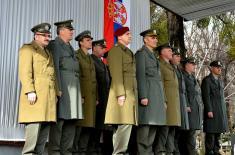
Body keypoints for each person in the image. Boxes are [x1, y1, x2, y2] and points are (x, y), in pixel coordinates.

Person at [18, 22, 58, 154]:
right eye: (44, 35)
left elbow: (52, 75)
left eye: (49, 35)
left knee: (41, 142)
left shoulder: (48, 52)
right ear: (36, 36)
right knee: (31, 142)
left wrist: (57, 93)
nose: (48, 38)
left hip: (48, 101)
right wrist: (30, 90)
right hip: (35, 98)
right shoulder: (27, 49)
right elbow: (25, 72)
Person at [48, 20, 83, 155]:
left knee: (71, 122)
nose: (72, 31)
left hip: (73, 91)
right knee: (60, 122)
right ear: (61, 31)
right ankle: (55, 152)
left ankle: (66, 151)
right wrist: (57, 89)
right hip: (63, 89)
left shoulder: (69, 47)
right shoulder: (55, 45)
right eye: (69, 29)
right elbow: (55, 68)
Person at [104, 27, 138, 155]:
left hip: (129, 94)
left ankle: (120, 152)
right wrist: (120, 94)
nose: (130, 36)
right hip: (122, 94)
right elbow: (116, 74)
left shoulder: (128, 52)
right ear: (119, 37)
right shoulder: (116, 51)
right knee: (124, 124)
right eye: (127, 34)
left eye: (130, 33)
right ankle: (119, 153)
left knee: (125, 125)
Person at [135, 29, 166, 155]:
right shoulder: (141, 54)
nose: (156, 40)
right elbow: (140, 76)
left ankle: (147, 152)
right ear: (145, 39)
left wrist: (163, 99)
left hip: (156, 95)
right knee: (145, 127)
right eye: (152, 38)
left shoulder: (153, 55)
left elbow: (159, 79)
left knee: (154, 126)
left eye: (156, 38)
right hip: (147, 94)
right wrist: (143, 95)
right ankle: (142, 152)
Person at [74, 30, 98, 154]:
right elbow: (76, 77)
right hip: (82, 97)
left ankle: (82, 151)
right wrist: (80, 95)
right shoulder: (76, 55)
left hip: (91, 97)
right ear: (81, 42)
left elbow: (93, 79)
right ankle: (75, 150)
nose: (90, 42)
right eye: (88, 40)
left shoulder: (89, 57)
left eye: (90, 40)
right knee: (79, 126)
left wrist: (96, 97)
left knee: (88, 126)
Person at [156, 43, 181, 155]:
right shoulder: (159, 64)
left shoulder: (170, 66)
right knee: (164, 129)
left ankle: (169, 151)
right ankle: (160, 151)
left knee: (172, 129)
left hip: (173, 103)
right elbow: (159, 84)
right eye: (169, 50)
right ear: (162, 52)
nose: (171, 52)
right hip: (166, 102)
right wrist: (164, 100)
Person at [201, 60, 228, 155]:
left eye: (220, 67)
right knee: (211, 133)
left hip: (220, 111)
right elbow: (206, 96)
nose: (219, 69)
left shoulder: (220, 81)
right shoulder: (207, 80)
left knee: (218, 133)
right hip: (212, 110)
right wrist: (209, 110)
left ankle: (216, 151)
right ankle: (209, 151)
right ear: (212, 68)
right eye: (217, 67)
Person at [90, 39, 112, 155]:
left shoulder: (101, 62)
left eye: (104, 47)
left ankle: (98, 150)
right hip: (96, 99)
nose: (104, 49)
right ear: (94, 48)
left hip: (104, 100)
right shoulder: (91, 60)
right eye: (101, 47)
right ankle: (93, 150)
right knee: (94, 129)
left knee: (102, 127)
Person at [182, 57, 203, 155]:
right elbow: (183, 92)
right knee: (189, 132)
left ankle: (191, 151)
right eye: (192, 64)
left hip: (196, 108)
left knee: (193, 131)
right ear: (186, 65)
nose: (194, 66)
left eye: (195, 64)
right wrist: (186, 104)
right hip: (189, 108)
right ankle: (191, 152)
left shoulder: (193, 77)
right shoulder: (183, 76)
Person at [170, 50, 189, 155]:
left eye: (179, 56)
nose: (179, 58)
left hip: (181, 101)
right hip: (175, 101)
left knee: (180, 129)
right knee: (175, 128)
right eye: (176, 56)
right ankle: (174, 151)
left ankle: (176, 150)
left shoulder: (178, 70)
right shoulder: (171, 68)